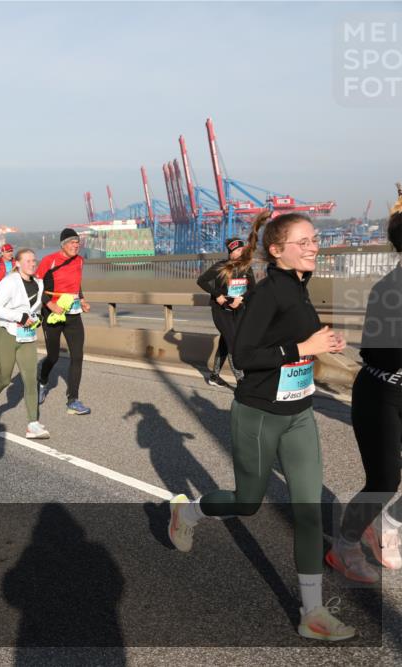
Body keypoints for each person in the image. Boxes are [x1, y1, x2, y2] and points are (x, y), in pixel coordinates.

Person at [167, 211, 354, 641]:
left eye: (315, 239)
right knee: (248, 502)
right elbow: (246, 356)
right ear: (276, 250)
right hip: (259, 413)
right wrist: (303, 346)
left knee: (308, 510)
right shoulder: (267, 292)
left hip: (299, 413)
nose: (314, 247)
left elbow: (297, 340)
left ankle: (312, 612)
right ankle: (187, 511)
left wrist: (325, 342)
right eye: (303, 242)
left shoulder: (299, 287)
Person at [325, 189, 402, 581]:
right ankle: (345, 545)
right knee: (384, 480)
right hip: (381, 393)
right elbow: (381, 354)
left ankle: (388, 523)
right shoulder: (389, 289)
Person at [0, 249, 48, 439]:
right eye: (27, 261)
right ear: (17, 263)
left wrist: (38, 318)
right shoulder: (9, 282)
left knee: (31, 380)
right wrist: (20, 316)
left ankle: (33, 424)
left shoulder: (39, 283)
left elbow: (36, 309)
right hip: (6, 335)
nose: (32, 264)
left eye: (34, 260)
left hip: (27, 338)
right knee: (4, 379)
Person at [36, 228, 91, 414]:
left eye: (77, 243)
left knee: (77, 356)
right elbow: (36, 286)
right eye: (72, 243)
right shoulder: (48, 261)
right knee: (53, 356)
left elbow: (76, 284)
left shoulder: (80, 260)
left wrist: (82, 299)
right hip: (52, 315)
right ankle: (42, 382)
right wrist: (50, 304)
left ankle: (73, 400)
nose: (76, 246)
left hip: (73, 314)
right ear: (63, 245)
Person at [197, 238, 257, 387]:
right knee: (233, 343)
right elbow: (202, 281)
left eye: (242, 250)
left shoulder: (246, 268)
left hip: (238, 310)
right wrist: (217, 295)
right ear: (231, 252)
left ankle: (214, 376)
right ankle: (241, 381)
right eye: (237, 250)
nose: (241, 252)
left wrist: (241, 298)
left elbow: (253, 289)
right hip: (221, 310)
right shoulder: (221, 266)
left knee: (226, 342)